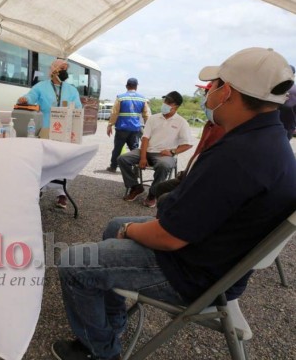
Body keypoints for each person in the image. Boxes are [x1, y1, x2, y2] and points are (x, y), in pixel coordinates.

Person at [52, 47, 296, 360]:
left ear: (229, 93)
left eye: (214, 86)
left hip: (192, 272)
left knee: (75, 263)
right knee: (113, 226)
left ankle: (98, 350)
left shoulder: (238, 156)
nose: (210, 93)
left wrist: (130, 230)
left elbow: (169, 238)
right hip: (217, 258)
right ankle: (112, 323)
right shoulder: (269, 141)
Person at [17, 59, 82, 208]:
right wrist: (24, 99)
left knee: (63, 161)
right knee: (44, 160)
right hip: (46, 128)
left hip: (65, 131)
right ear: (53, 70)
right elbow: (30, 96)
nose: (65, 71)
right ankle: (40, 188)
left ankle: (62, 194)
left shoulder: (72, 90)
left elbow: (78, 107)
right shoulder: (41, 86)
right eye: (62, 68)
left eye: (66, 68)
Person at [118, 91, 192, 208]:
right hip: (146, 151)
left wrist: (172, 152)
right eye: (165, 101)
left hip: (164, 155)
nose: (165, 104)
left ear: (176, 106)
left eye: (169, 102)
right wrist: (143, 157)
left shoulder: (182, 122)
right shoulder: (153, 118)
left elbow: (188, 144)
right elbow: (145, 138)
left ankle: (153, 194)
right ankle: (136, 187)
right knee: (123, 159)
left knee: (164, 165)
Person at [154, 82, 226, 203]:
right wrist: (186, 172)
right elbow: (199, 153)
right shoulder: (210, 124)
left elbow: (210, 160)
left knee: (164, 197)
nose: (203, 98)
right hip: (190, 175)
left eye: (207, 93)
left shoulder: (222, 127)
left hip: (201, 180)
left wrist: (172, 152)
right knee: (160, 189)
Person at [106, 78, 150, 172]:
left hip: (122, 127)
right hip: (135, 128)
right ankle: (136, 170)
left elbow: (114, 113)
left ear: (126, 86)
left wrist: (110, 125)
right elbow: (146, 115)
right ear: (136, 87)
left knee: (117, 149)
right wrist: (150, 128)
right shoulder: (142, 98)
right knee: (134, 149)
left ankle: (113, 167)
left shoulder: (121, 97)